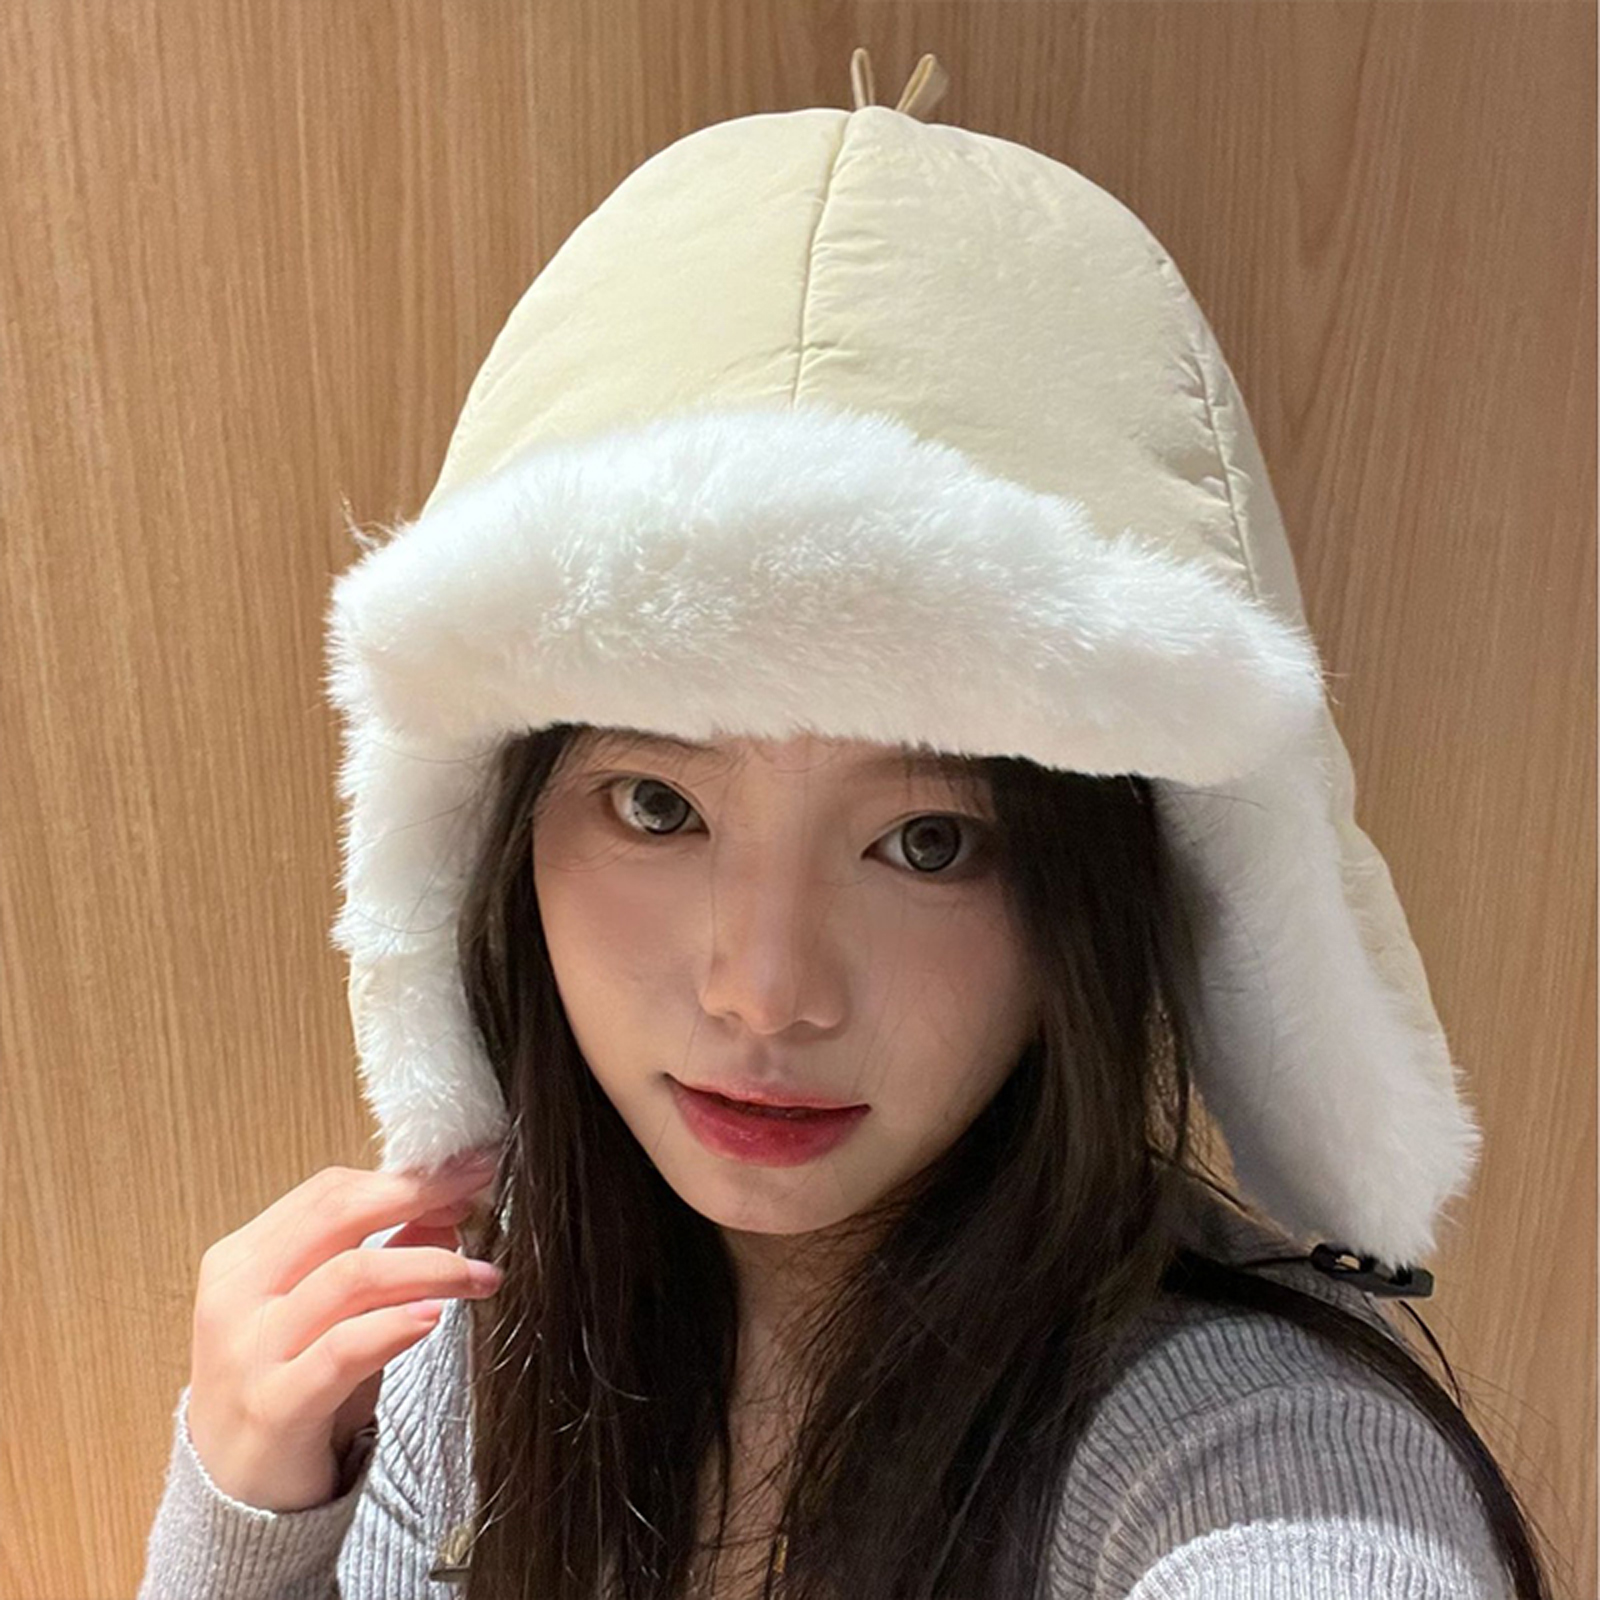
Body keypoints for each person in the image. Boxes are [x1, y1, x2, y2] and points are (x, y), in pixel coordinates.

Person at [137, 47, 1556, 1600]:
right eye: (658, 804)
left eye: (928, 841)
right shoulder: (473, 1359)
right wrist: (251, 1521)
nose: (766, 990)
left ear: (1096, 897)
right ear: (495, 834)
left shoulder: (1249, 1455)